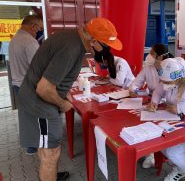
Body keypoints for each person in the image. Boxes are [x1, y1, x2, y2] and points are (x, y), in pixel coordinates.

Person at [16, 17, 122, 181]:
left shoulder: (71, 39)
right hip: (39, 105)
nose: (107, 51)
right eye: (106, 46)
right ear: (93, 40)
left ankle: (49, 174)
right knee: (51, 153)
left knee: (46, 148)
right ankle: (48, 174)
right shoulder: (71, 47)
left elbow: (56, 75)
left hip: (37, 102)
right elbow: (44, 88)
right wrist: (63, 103)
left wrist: (66, 94)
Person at [129, 43, 172, 168]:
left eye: (152, 54)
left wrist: (157, 101)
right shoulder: (148, 66)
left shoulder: (168, 68)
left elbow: (169, 90)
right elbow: (137, 81)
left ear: (160, 57)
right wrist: (132, 90)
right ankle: (150, 153)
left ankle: (161, 151)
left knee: (158, 125)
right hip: (153, 100)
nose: (149, 56)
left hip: (167, 102)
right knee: (143, 120)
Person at [9, 14, 43, 155]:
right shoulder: (29, 42)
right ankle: (39, 144)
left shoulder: (15, 39)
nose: (39, 33)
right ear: (33, 26)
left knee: (26, 115)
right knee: (37, 115)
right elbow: (38, 66)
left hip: (17, 84)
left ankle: (30, 145)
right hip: (28, 85)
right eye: (39, 29)